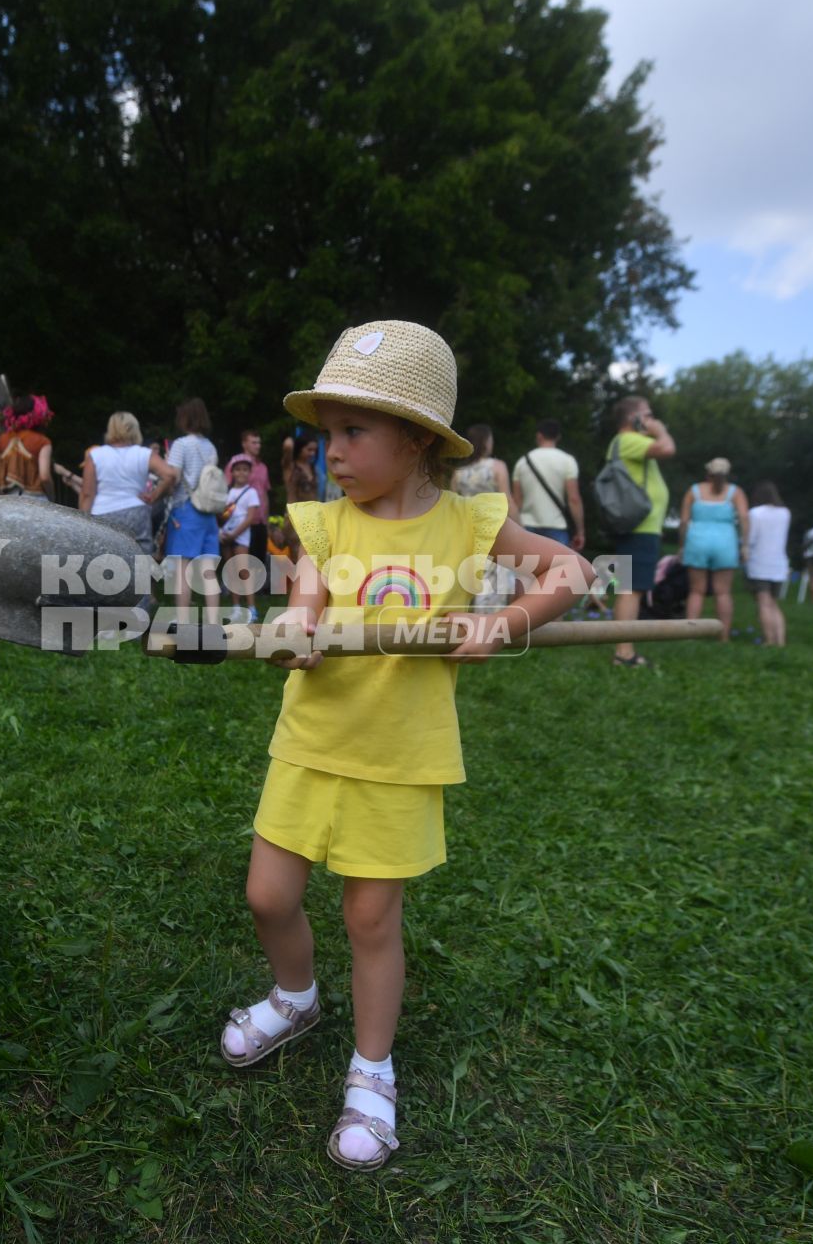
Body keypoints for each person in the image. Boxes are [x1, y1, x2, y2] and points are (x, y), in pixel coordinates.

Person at [217, 320, 585, 1173]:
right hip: (311, 741)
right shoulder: (328, 525)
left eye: (353, 432)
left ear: (417, 439)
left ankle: (372, 1070)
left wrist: (503, 622)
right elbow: (302, 601)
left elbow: (572, 570)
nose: (331, 454)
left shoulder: (468, 525)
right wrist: (294, 628)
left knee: (371, 916)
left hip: (400, 755)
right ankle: (297, 996)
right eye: (325, 435)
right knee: (268, 895)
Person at [605, 395, 675, 666]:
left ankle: (623, 648)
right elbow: (667, 448)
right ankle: (624, 653)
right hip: (640, 528)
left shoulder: (623, 442)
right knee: (630, 589)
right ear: (633, 418)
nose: (652, 420)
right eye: (647, 415)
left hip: (637, 527)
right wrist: (660, 431)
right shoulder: (629, 440)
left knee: (627, 586)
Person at [80, 411, 179, 553]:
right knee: (138, 564)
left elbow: (87, 494)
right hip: (135, 513)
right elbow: (170, 475)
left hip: (102, 514)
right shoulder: (144, 453)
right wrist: (154, 496)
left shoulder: (95, 455)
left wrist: (83, 522)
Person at [161, 399, 222, 623]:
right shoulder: (210, 447)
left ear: (185, 418)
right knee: (208, 569)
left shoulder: (181, 445)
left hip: (185, 511)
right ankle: (214, 621)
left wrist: (166, 471)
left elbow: (174, 477)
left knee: (182, 568)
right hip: (208, 513)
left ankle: (183, 619)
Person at [677, 458, 745, 642]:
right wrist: (744, 545)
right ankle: (723, 637)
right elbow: (744, 519)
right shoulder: (735, 492)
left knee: (696, 591)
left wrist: (682, 546)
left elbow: (684, 522)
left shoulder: (694, 491)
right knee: (723, 592)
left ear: (708, 473)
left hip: (697, 541)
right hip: (725, 542)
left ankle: (689, 635)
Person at [452, 424, 514, 609]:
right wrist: (519, 526)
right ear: (487, 442)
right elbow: (508, 501)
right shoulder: (497, 467)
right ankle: (491, 625)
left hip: (469, 531)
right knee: (494, 581)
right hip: (495, 530)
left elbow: (454, 503)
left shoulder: (459, 472)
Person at [510, 418, 584, 550]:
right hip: (557, 527)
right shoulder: (568, 461)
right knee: (558, 569)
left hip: (527, 526)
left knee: (526, 570)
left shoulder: (522, 462)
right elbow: (574, 499)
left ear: (539, 435)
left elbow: (516, 501)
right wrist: (580, 531)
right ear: (558, 437)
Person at [744, 480, 791, 647]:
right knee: (774, 604)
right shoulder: (785, 513)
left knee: (764, 603)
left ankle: (769, 639)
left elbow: (751, 538)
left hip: (760, 562)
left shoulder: (755, 513)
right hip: (779, 563)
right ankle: (781, 640)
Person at [219, 453, 263, 622]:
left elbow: (250, 517)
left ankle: (252, 608)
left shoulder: (251, 492)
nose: (241, 473)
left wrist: (234, 534)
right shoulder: (228, 492)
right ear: (233, 472)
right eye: (238, 470)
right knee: (231, 570)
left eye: (245, 470)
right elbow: (222, 515)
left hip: (241, 535)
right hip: (226, 534)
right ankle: (236, 607)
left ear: (250, 473)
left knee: (243, 571)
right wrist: (222, 532)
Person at [0, 394, 54, 498]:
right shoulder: (42, 441)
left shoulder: (2, 440)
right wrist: (52, 496)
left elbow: (0, 472)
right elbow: (44, 477)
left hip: (8, 499)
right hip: (35, 498)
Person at [242, 429, 272, 578]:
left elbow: (265, 493)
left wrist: (266, 518)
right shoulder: (237, 465)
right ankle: (241, 586)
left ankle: (257, 587)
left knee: (259, 552)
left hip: (260, 519)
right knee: (245, 554)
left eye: (259, 442)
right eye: (253, 442)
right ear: (244, 444)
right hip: (245, 518)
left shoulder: (262, 467)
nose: (257, 445)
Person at [282, 432, 321, 507]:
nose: (312, 453)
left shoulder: (313, 468)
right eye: (309, 450)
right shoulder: (290, 467)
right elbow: (288, 445)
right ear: (300, 448)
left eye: (314, 450)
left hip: (312, 514)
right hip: (294, 514)